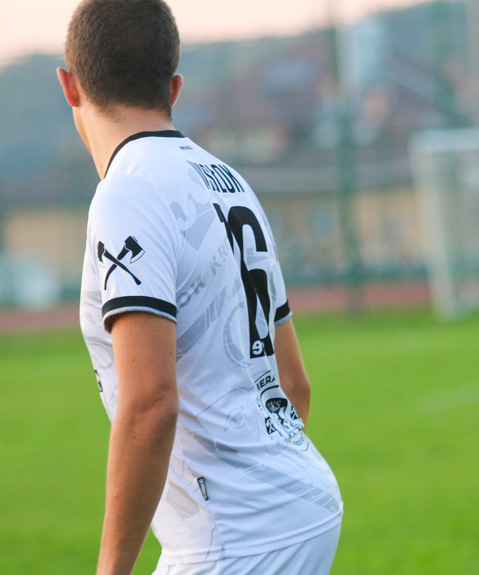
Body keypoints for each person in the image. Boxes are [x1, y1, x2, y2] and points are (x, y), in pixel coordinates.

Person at [56, 1, 343, 574]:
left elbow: (152, 403)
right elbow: (294, 384)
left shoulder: (127, 192)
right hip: (303, 505)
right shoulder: (229, 181)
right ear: (175, 86)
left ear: (69, 85)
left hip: (237, 538)